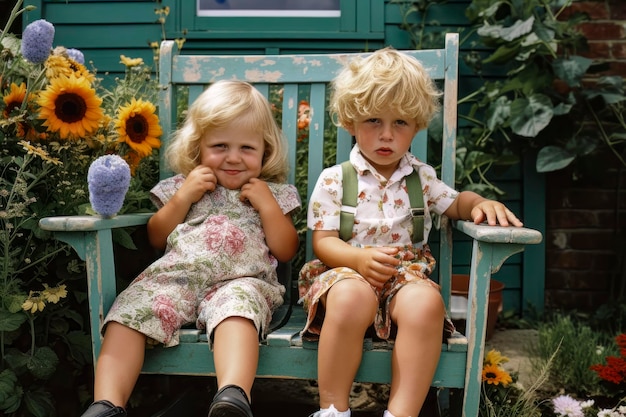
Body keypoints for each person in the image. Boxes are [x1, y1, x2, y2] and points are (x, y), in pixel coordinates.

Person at [298, 47, 524, 417]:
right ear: (350, 121)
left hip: (404, 277)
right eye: (373, 120)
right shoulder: (336, 180)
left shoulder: (421, 178)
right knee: (351, 296)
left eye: (400, 123)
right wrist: (357, 258)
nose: (387, 135)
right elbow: (323, 244)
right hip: (346, 273)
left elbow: (455, 203)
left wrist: (479, 203)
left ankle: (401, 413)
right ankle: (333, 409)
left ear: (417, 125)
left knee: (427, 303)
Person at [82, 80, 301, 417]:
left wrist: (269, 207)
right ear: (198, 147)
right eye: (220, 146)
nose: (233, 157)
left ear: (265, 152)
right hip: (174, 282)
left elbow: (286, 250)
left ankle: (232, 396)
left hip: (240, 283)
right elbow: (156, 236)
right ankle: (108, 405)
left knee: (237, 312)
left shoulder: (273, 193)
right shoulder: (182, 187)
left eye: (247, 148)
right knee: (128, 312)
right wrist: (184, 197)